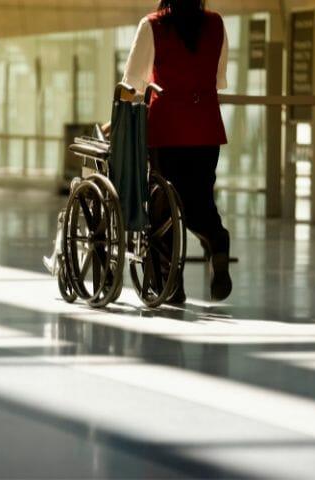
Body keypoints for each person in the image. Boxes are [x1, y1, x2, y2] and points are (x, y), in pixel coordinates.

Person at [120, 0, 232, 303]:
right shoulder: (216, 24)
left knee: (163, 208)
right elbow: (219, 79)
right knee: (200, 201)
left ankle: (170, 285)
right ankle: (218, 242)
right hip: (206, 128)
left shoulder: (153, 24)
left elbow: (132, 82)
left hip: (166, 129)